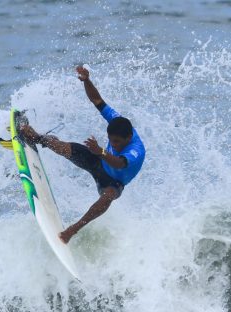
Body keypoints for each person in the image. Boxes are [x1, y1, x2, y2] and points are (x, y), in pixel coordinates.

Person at [20, 66, 146, 244]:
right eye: (112, 140)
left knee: (109, 195)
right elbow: (97, 100)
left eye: (117, 142)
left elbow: (119, 163)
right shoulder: (117, 121)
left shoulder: (136, 150)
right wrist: (86, 80)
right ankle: (37, 137)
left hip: (112, 182)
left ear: (129, 137)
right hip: (98, 160)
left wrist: (101, 151)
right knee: (65, 147)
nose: (114, 144)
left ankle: (72, 230)